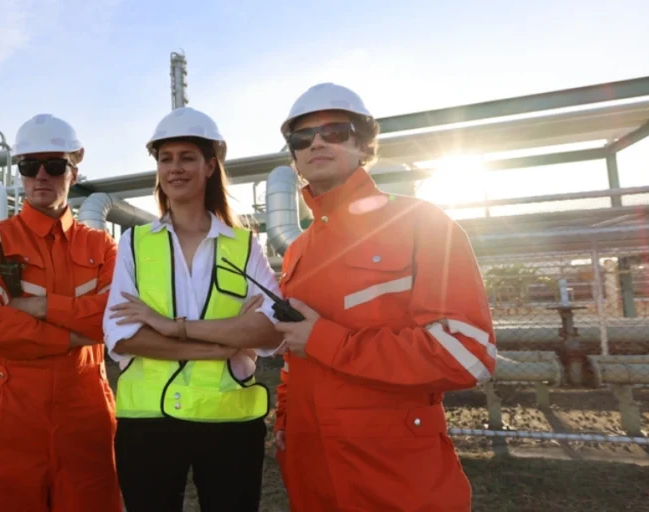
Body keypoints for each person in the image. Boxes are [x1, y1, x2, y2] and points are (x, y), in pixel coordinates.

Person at [271, 83, 497, 511]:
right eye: (302, 138)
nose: (316, 142)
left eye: (334, 132)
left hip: (395, 477)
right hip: (310, 469)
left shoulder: (421, 224)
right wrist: (285, 418)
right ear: (295, 156)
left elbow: (468, 353)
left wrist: (324, 340)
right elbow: (293, 352)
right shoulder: (299, 249)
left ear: (363, 144)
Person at [103, 106, 285, 512]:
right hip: (147, 424)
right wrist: (225, 342)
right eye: (165, 159)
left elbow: (269, 332)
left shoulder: (244, 244)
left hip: (229, 423)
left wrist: (171, 326)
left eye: (187, 157)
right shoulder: (133, 244)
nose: (175, 168)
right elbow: (124, 335)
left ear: (209, 166)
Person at [0, 113, 122, 512]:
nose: (41, 176)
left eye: (55, 165)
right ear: (20, 174)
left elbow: (115, 318)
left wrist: (41, 307)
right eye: (29, 166)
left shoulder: (103, 247)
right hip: (7, 412)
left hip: (86, 414)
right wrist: (72, 336)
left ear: (74, 171)